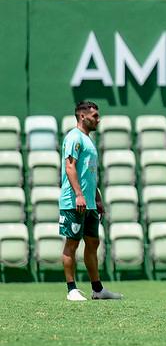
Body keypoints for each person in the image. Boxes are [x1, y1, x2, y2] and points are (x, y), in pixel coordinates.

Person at [60, 101, 122, 301]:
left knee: (93, 242)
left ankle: (98, 289)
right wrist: (78, 194)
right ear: (82, 116)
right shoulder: (74, 137)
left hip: (89, 203)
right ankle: (71, 289)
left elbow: (88, 174)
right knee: (72, 243)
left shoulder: (87, 140)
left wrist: (97, 198)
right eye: (94, 115)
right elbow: (70, 167)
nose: (98, 119)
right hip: (74, 201)